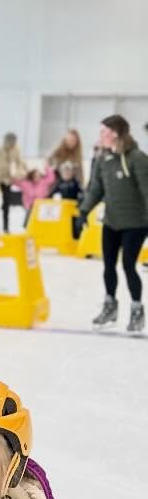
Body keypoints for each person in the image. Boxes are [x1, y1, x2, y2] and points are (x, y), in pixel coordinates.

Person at [75, 114, 148, 335]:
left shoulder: (137, 158)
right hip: (112, 222)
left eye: (104, 132)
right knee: (108, 265)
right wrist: (84, 211)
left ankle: (136, 310)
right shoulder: (102, 159)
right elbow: (96, 188)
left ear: (115, 133)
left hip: (136, 223)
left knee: (128, 265)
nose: (101, 137)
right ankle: (110, 306)